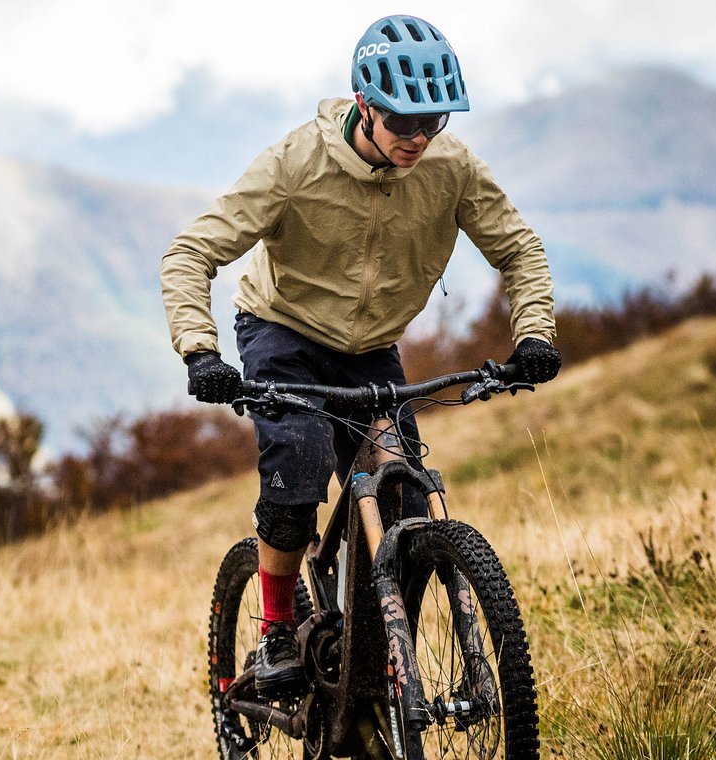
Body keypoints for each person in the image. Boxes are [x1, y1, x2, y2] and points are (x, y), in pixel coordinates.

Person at [160, 14, 561, 699]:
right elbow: (190, 253)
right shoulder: (296, 164)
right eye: (403, 121)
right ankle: (280, 629)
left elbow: (519, 249)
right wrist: (201, 352)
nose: (417, 137)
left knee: (403, 493)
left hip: (370, 349)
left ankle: (371, 659)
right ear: (364, 104)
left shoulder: (450, 166)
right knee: (300, 464)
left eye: (432, 121)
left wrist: (534, 336)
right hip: (282, 331)